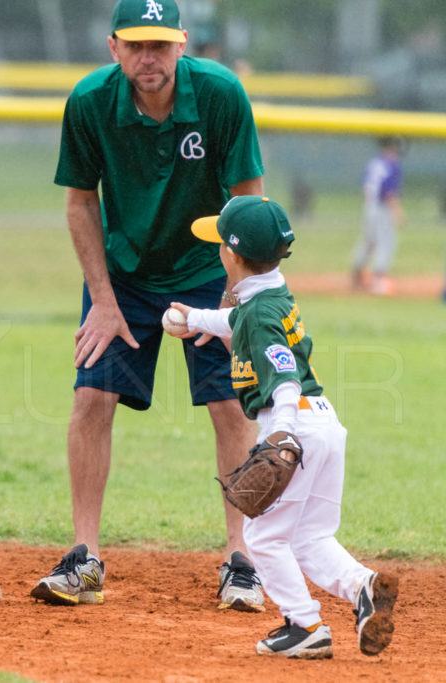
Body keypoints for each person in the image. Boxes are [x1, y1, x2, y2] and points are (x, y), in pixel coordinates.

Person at [30, 0, 266, 610]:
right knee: (90, 398)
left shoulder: (220, 94)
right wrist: (103, 301)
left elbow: (247, 204)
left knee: (230, 406)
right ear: (114, 48)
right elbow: (82, 202)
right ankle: (85, 558)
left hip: (206, 266)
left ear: (183, 43)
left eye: (160, 44)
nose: (148, 56)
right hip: (123, 272)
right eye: (135, 45)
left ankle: (243, 559)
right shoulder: (89, 102)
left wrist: (231, 300)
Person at [167, 195, 399, 658]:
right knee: (310, 536)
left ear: (231, 255)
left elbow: (285, 378)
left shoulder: (261, 314)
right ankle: (362, 588)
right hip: (326, 424)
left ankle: (303, 624)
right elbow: (239, 320)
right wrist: (195, 320)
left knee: (263, 537)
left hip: (296, 427)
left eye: (220, 243)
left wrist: (282, 435)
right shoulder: (271, 293)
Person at [351, 136, 405, 295]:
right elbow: (389, 192)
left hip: (369, 207)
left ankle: (357, 273)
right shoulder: (392, 165)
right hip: (382, 208)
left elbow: (366, 186)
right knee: (387, 242)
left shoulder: (374, 163)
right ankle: (379, 281)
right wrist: (398, 212)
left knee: (369, 241)